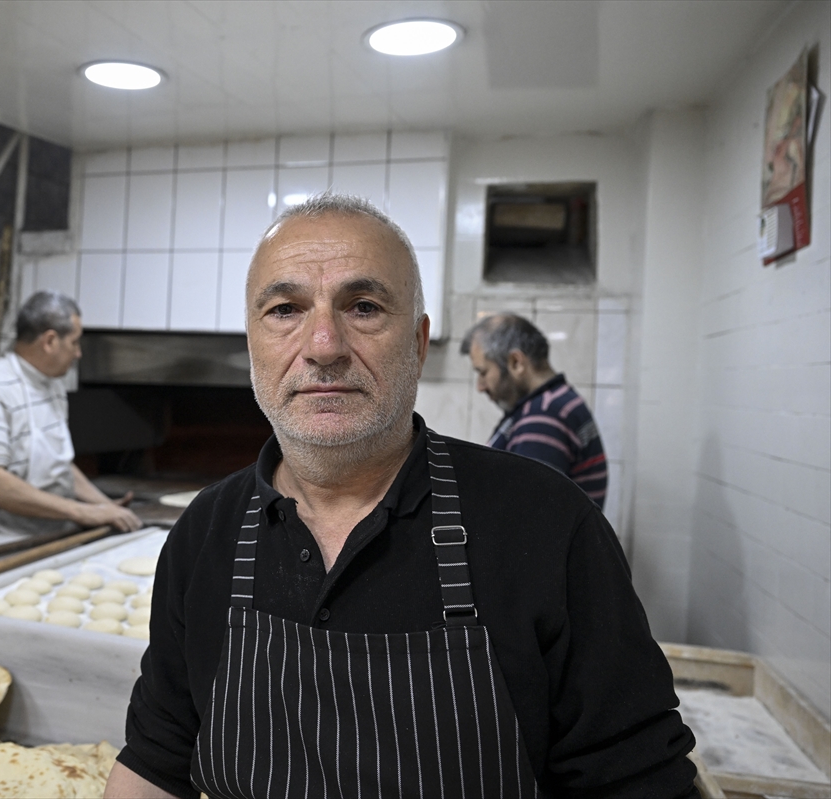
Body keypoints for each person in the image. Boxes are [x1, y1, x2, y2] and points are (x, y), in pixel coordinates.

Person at [105, 194, 696, 798]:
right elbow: (157, 754)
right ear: (253, 344)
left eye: (363, 307)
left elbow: (637, 780)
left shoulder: (547, 526)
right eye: (285, 310)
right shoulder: (207, 531)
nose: (324, 344)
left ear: (417, 342)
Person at [0, 290, 141, 539]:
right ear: (50, 341)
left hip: (51, 534)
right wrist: (82, 512)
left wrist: (102, 505)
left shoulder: (52, 386)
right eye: (74, 342)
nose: (78, 354)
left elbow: (58, 465)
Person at [461, 314, 608, 509]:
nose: (480, 386)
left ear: (516, 362)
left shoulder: (544, 417)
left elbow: (527, 516)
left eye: (483, 372)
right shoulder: (553, 402)